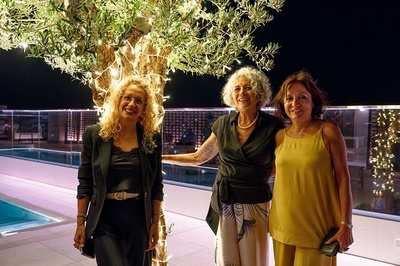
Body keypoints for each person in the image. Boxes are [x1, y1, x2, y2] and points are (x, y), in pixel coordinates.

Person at [162, 66, 284, 266]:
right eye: (237, 89)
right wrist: (160, 158)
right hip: (225, 200)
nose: (242, 93)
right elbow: (198, 157)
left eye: (248, 88)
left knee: (253, 258)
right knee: (227, 259)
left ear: (259, 94)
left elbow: (283, 163)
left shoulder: (273, 126)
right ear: (231, 95)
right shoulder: (222, 124)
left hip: (255, 203)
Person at [73, 76, 164, 266]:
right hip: (105, 218)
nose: (132, 104)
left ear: (145, 108)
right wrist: (80, 222)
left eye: (139, 101)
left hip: (138, 219)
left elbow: (156, 185)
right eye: (128, 98)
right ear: (118, 100)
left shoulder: (151, 138)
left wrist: (155, 223)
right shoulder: (95, 135)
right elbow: (85, 182)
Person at [269, 70, 354, 266]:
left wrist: (346, 225)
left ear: (313, 102)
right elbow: (275, 173)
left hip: (317, 229)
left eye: (302, 97)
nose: (295, 103)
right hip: (282, 225)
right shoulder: (280, 136)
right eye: (289, 98)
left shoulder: (329, 131)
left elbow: (344, 179)